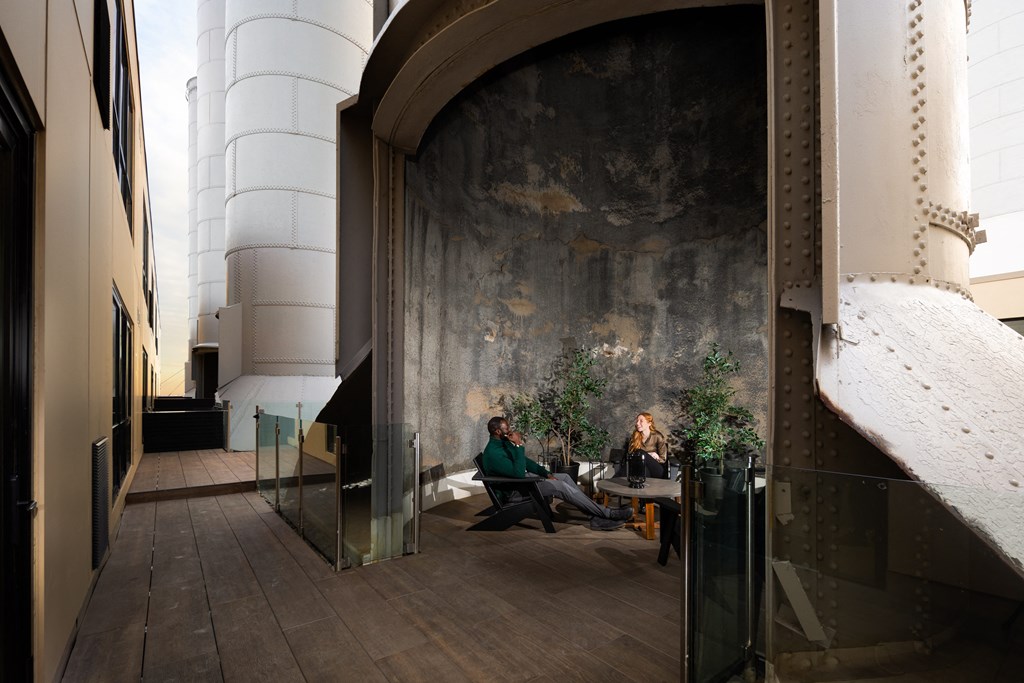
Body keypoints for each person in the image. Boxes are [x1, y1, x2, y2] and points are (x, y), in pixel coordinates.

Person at [482, 416, 632, 531]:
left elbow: (526, 463)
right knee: (560, 486)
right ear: (498, 432)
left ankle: (595, 516)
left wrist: (546, 474)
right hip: (515, 491)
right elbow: (519, 473)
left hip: (522, 483)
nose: (510, 430)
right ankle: (607, 514)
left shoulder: (503, 444)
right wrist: (519, 445)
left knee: (565, 476)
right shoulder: (494, 453)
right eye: (506, 428)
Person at [616, 412, 668, 479]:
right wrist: (648, 454)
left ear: (649, 423)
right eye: (637, 421)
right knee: (643, 470)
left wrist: (654, 457)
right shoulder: (634, 437)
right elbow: (630, 455)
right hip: (640, 467)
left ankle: (612, 481)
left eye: (641, 421)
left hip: (656, 469)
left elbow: (663, 459)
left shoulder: (657, 436)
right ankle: (612, 482)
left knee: (639, 451)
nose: (637, 423)